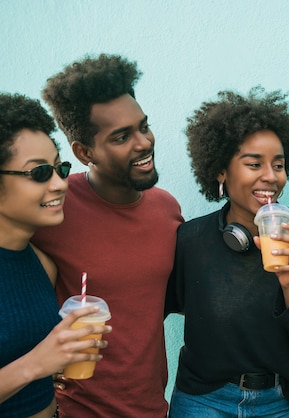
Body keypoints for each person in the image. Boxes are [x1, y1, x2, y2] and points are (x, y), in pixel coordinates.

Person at [165, 86, 289, 417]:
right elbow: (154, 312)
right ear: (220, 169)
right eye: (254, 163)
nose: (270, 177)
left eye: (279, 164)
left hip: (278, 403)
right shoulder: (192, 238)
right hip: (201, 400)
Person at [31, 54, 184, 417]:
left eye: (143, 127)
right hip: (75, 411)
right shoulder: (52, 207)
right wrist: (37, 362)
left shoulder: (167, 210)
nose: (144, 142)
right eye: (121, 137)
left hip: (152, 409)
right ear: (84, 152)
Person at [0, 93, 111, 418]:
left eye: (59, 168)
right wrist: (37, 364)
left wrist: (56, 364)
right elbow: (30, 362)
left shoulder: (41, 263)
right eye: (39, 173)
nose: (60, 184)